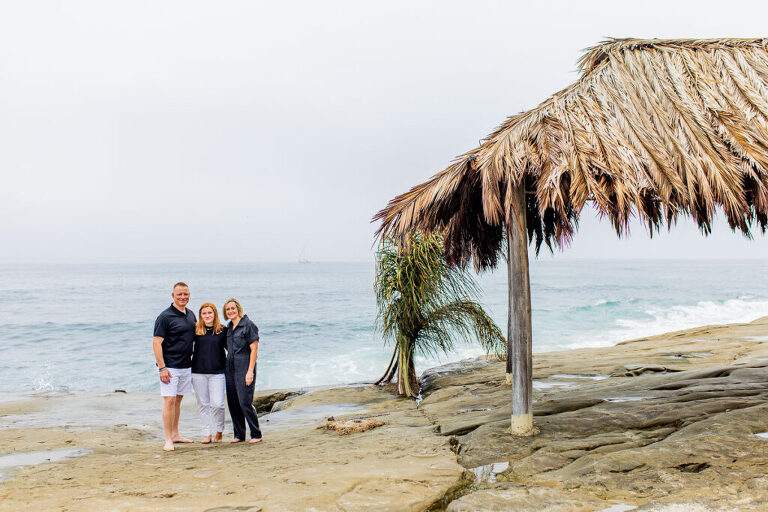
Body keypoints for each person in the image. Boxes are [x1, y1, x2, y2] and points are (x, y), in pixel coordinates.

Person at [153, 282, 196, 452]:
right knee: (169, 400)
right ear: (173, 296)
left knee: (178, 399)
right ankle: (168, 439)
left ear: (189, 295)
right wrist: (162, 367)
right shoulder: (165, 317)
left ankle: (176, 434)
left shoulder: (191, 315)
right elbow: (157, 342)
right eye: (179, 294)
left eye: (185, 294)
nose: (183, 297)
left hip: (186, 365)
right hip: (169, 366)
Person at [223, 298, 263, 444]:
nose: (230, 311)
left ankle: (256, 434)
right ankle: (239, 435)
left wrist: (250, 371)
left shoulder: (248, 325)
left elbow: (254, 349)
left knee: (245, 401)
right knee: (233, 402)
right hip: (230, 368)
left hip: (245, 367)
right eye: (228, 309)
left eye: (233, 308)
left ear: (238, 309)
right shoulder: (228, 328)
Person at [191, 302, 227, 444]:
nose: (207, 316)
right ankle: (206, 433)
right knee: (203, 404)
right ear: (200, 315)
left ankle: (219, 431)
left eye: (210, 313)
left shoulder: (222, 330)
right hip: (198, 372)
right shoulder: (196, 330)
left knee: (218, 404)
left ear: (215, 314)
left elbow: (231, 349)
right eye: (204, 313)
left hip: (218, 372)